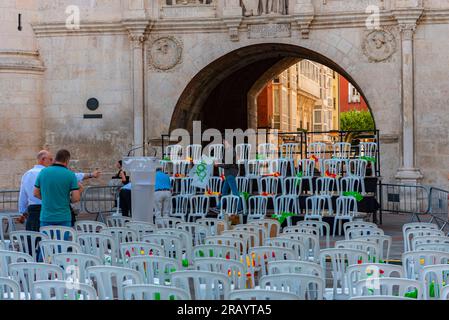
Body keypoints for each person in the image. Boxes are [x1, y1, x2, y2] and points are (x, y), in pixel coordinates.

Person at [19, 150, 101, 230]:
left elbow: (24, 194)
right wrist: (91, 175)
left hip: (34, 211)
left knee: (33, 240)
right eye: (50, 159)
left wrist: (22, 211)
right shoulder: (48, 172)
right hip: (52, 210)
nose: (52, 162)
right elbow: (73, 177)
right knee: (59, 239)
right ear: (43, 159)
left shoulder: (27, 174)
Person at [33, 149, 82, 229]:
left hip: (46, 216)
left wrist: (47, 199)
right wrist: (68, 200)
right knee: (62, 241)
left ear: (56, 159)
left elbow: (35, 193)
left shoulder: (43, 172)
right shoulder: (70, 174)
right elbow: (76, 198)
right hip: (63, 217)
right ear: (67, 160)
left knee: (47, 241)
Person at [214, 139, 243, 212]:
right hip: (229, 174)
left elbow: (228, 164)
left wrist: (218, 165)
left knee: (235, 192)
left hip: (230, 173)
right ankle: (218, 207)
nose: (223, 143)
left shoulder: (230, 150)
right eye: (223, 141)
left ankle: (239, 209)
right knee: (224, 192)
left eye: (224, 141)